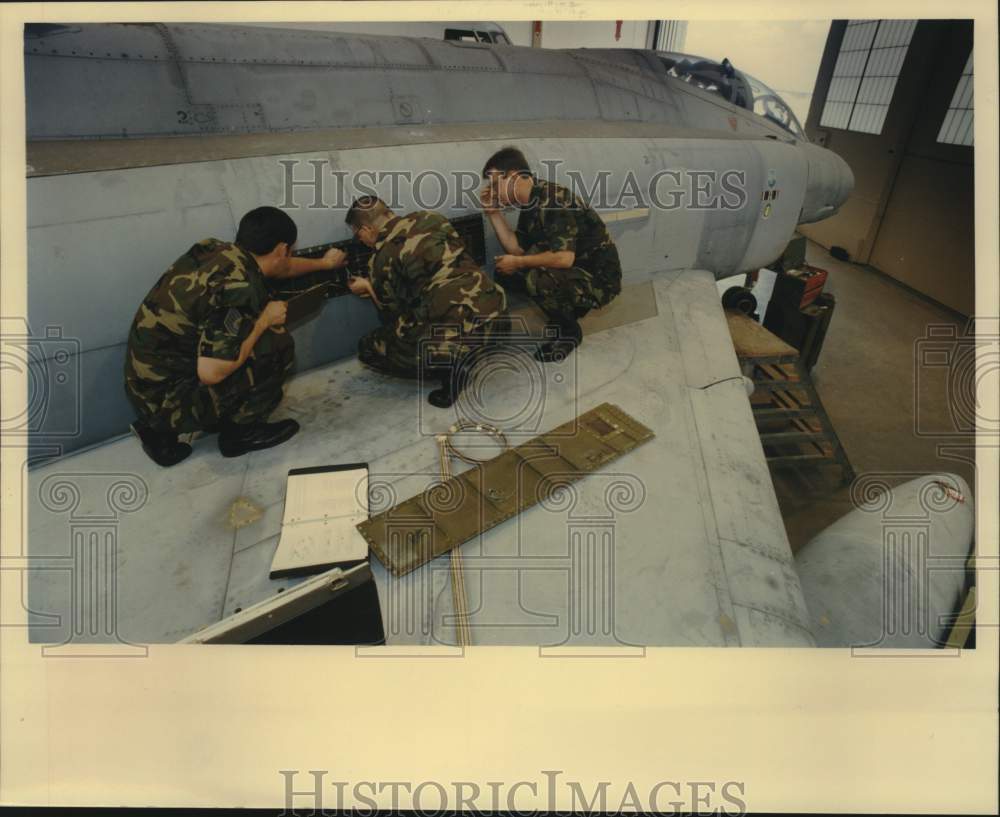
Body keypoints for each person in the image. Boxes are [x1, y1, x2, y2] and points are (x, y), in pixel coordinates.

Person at [124, 206, 347, 466]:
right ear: (281, 249)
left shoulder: (216, 250)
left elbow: (280, 268)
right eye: (289, 251)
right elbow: (211, 373)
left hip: (144, 388)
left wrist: (324, 263)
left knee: (247, 337)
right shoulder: (240, 287)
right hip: (168, 402)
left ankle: (155, 432)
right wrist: (264, 320)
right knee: (275, 344)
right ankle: (242, 434)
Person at [344, 196, 507, 407]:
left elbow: (392, 316)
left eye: (358, 236)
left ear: (366, 229)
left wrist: (368, 287)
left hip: (459, 330)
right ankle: (475, 350)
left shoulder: (380, 259)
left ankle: (453, 370)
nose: (362, 241)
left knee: (369, 346)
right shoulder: (431, 217)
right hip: (497, 314)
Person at [480, 146, 622, 361]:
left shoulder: (553, 200)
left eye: (495, 183)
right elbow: (516, 248)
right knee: (506, 273)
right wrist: (493, 212)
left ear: (514, 177)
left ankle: (570, 332)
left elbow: (564, 258)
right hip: (574, 270)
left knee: (538, 279)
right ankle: (564, 312)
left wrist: (518, 262)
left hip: (599, 280)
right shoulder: (532, 202)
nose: (493, 190)